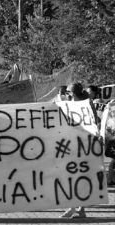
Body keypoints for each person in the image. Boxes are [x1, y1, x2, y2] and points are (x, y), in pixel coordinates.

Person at [61, 82, 89, 219]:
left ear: (71, 93)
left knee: (78, 178)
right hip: (72, 146)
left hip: (81, 147)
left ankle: (78, 209)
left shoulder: (84, 106)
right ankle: (75, 208)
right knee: (73, 178)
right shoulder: (82, 105)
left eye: (68, 92)